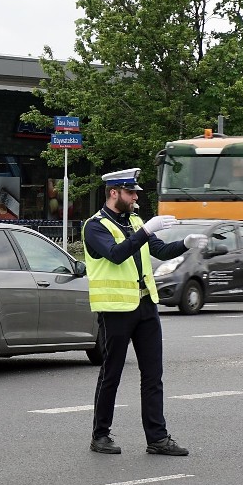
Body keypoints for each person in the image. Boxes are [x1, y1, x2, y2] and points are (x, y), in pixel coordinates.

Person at [82, 168, 207, 456]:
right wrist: (146, 230)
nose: (136, 196)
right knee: (111, 373)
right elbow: (115, 254)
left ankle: (158, 438)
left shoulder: (135, 221)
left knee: (153, 375)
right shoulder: (95, 226)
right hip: (116, 309)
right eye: (130, 192)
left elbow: (160, 251)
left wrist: (185, 244)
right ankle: (100, 435)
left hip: (145, 305)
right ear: (114, 193)